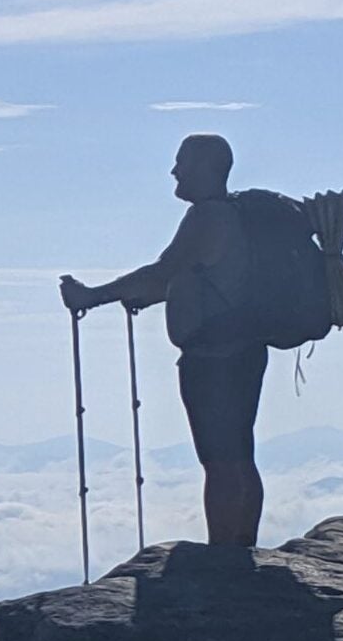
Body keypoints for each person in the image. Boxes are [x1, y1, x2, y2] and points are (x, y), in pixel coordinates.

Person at [58, 134, 266, 547]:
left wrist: (92, 297)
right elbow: (186, 277)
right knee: (238, 454)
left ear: (206, 168)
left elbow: (163, 271)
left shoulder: (207, 217)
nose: (174, 171)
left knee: (220, 459)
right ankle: (241, 546)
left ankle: (225, 554)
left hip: (214, 359)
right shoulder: (233, 216)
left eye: (182, 163)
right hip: (243, 351)